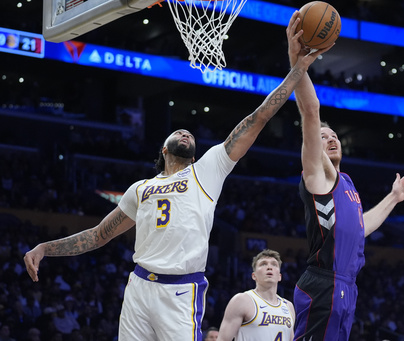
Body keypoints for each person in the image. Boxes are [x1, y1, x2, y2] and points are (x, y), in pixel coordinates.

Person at [23, 41, 332, 340]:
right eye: (178, 131)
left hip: (180, 291)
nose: (185, 132)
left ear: (194, 155)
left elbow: (259, 116)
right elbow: (98, 235)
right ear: (164, 149)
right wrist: (45, 248)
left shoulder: (207, 170)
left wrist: (298, 68)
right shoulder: (140, 189)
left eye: (189, 133)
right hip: (139, 287)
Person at [286, 11, 404, 341]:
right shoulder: (318, 174)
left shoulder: (348, 184)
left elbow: (361, 227)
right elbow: (311, 112)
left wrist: (394, 197)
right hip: (323, 283)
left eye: (334, 136)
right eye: (323, 135)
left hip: (346, 287)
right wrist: (296, 61)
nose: (329, 138)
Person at [217, 249, 295, 341]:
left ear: (279, 276)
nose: (269, 267)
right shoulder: (242, 300)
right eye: (263, 264)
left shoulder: (288, 306)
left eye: (274, 264)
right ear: (254, 276)